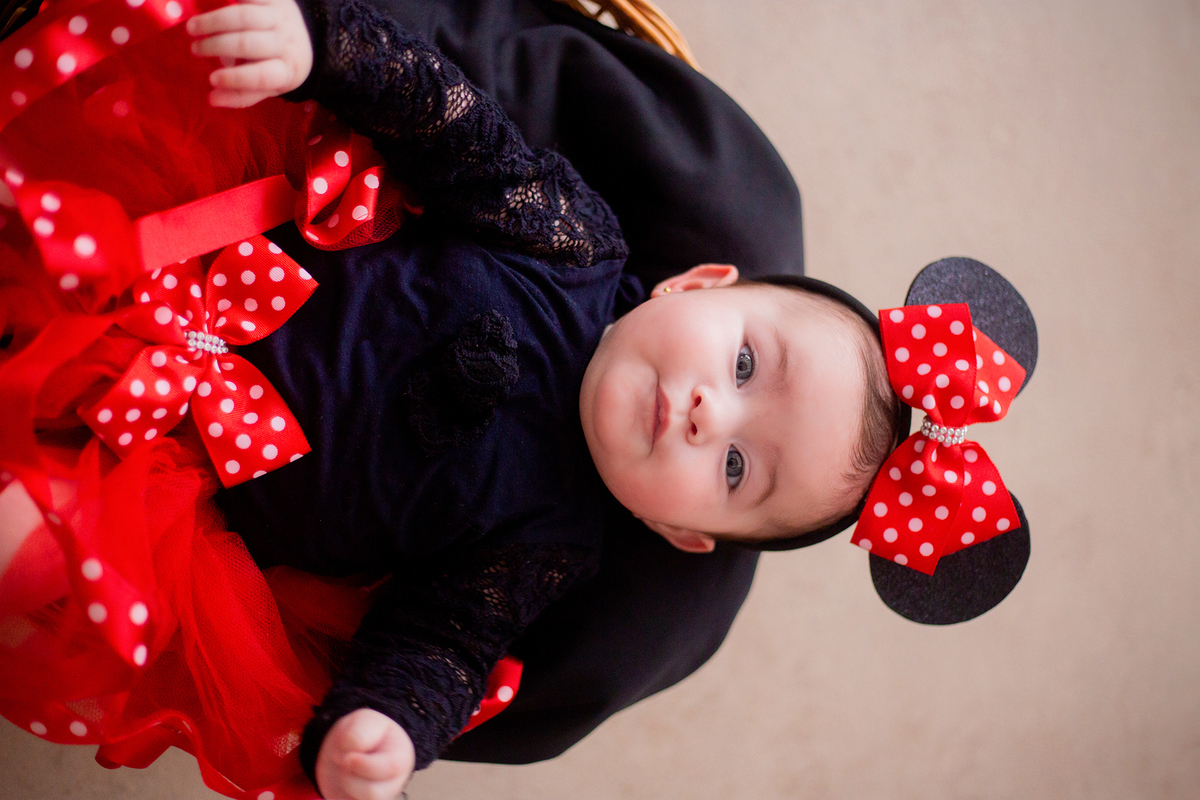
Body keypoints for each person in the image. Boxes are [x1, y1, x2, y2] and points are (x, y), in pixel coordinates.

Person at [0, 1, 899, 799]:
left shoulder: (545, 547)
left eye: (738, 468)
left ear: (680, 535)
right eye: (744, 365)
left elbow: (443, 645)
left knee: (30, 547)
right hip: (200, 263)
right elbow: (450, 124)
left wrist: (386, 728)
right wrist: (323, 45)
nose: (711, 414)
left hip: (170, 484)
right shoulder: (570, 241)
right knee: (58, 210)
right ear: (695, 285)